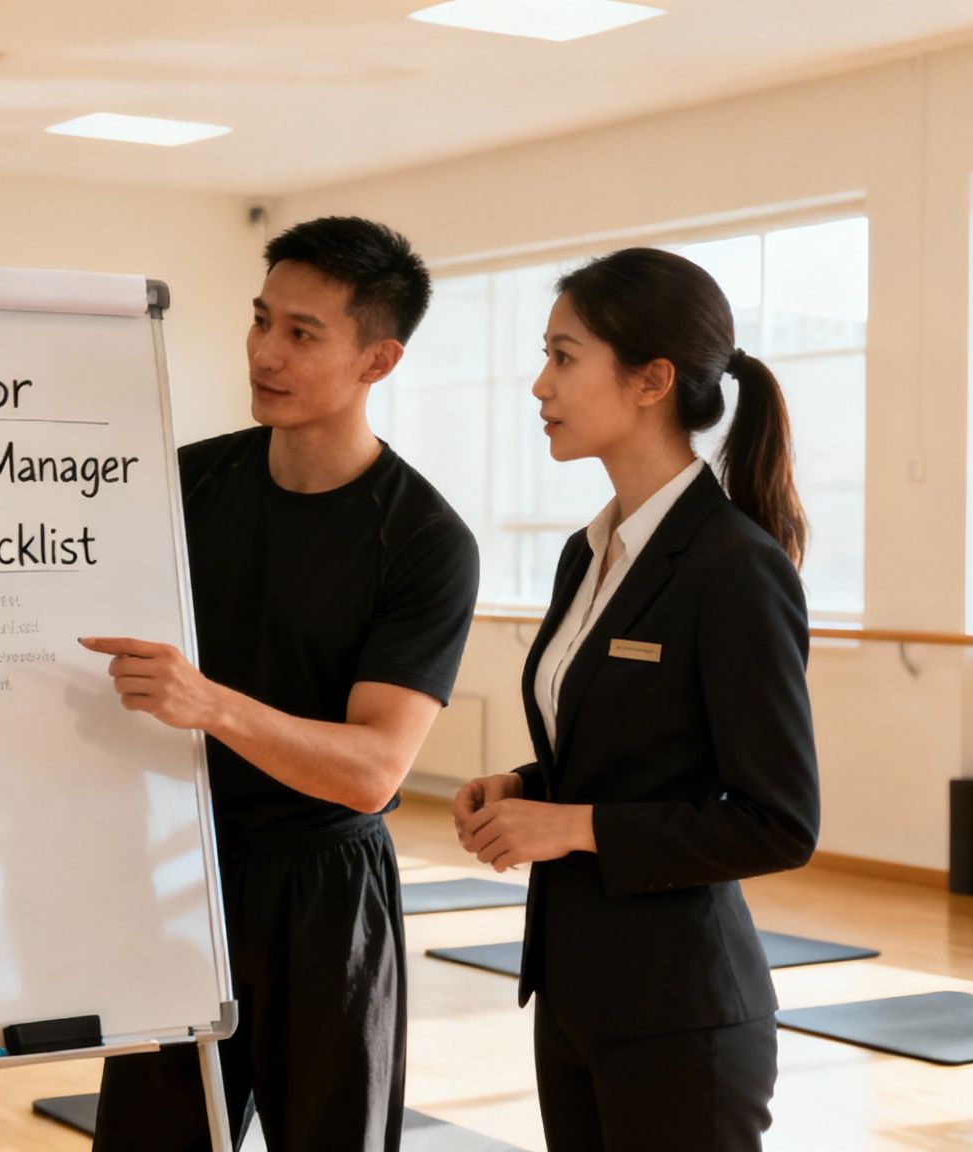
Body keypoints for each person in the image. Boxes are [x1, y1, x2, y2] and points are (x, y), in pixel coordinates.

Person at [82, 215, 480, 1151]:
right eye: (262, 320)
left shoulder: (426, 542)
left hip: (325, 893)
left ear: (377, 361)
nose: (265, 351)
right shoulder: (187, 484)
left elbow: (374, 770)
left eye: (302, 334)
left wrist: (208, 701)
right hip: (183, 868)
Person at [453, 247, 821, 1151]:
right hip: (575, 996)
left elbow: (777, 821)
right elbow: (635, 750)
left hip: (683, 1017)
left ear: (652, 379)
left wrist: (572, 825)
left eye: (564, 356)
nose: (540, 383)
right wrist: (529, 786)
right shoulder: (589, 553)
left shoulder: (737, 570)